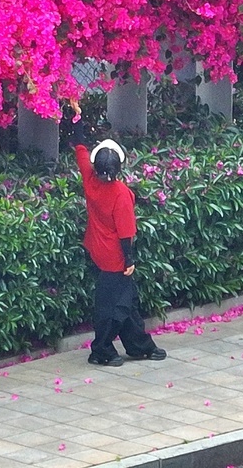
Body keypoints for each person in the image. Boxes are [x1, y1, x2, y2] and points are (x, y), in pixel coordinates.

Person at [73, 135, 168, 366]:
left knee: (127, 302)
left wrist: (76, 114)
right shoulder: (121, 193)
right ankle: (101, 350)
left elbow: (80, 147)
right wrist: (129, 260)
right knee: (115, 306)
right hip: (116, 256)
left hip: (98, 249)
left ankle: (139, 346)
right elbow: (126, 232)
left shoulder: (89, 180)